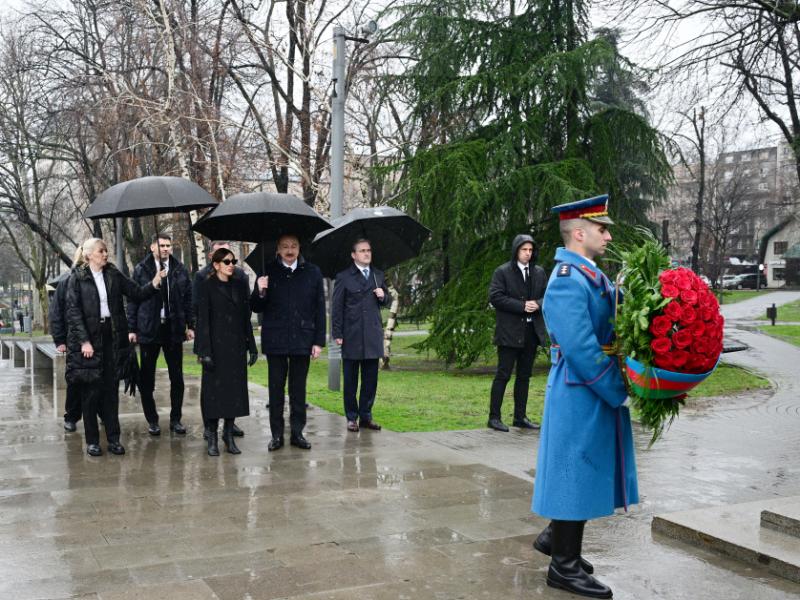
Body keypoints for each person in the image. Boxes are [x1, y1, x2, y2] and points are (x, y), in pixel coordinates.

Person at [531, 195, 637, 599]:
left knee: (583, 470)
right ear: (578, 233)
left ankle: (555, 539)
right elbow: (581, 348)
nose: (607, 236)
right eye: (601, 229)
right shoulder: (566, 279)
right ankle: (564, 567)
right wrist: (616, 389)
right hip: (580, 388)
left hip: (588, 389)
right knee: (573, 472)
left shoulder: (590, 275)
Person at [65, 238, 164, 456]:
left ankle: (114, 439)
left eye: (106, 251)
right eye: (101, 251)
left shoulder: (112, 274)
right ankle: (93, 441)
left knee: (111, 391)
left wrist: (155, 282)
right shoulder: (77, 278)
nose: (105, 254)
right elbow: (73, 312)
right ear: (89, 255)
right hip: (89, 339)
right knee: (91, 392)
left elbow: (137, 293)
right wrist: (84, 341)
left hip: (112, 336)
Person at [250, 233, 325, 451]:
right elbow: (255, 307)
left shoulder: (312, 272)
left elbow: (319, 308)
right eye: (285, 246)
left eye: (293, 246)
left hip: (303, 337)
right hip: (276, 339)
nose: (289, 250)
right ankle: (276, 435)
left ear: (299, 248)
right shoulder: (267, 271)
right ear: (278, 250)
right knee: (276, 390)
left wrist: (318, 341)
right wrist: (259, 290)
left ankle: (297, 433)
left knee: (298, 390)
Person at [127, 233, 194, 436]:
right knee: (147, 378)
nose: (165, 249)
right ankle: (152, 420)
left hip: (173, 328)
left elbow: (188, 299)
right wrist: (132, 329)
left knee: (177, 378)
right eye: (161, 245)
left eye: (168, 245)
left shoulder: (179, 268)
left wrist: (191, 325)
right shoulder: (141, 269)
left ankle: (176, 419)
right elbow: (133, 299)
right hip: (149, 328)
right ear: (152, 247)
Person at [195, 248, 258, 455]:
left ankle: (228, 435)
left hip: (236, 347)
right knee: (214, 394)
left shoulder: (239, 284)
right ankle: (212, 436)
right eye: (226, 262)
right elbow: (203, 320)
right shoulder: (206, 286)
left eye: (233, 261)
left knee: (234, 393)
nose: (231, 265)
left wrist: (252, 346)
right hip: (215, 347)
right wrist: (204, 351)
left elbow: (245, 317)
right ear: (216, 265)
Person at [487, 234, 547, 432]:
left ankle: (520, 417)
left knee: (524, 376)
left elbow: (548, 296)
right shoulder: (502, 272)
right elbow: (495, 297)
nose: (528, 253)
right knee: (503, 374)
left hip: (531, 332)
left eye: (530, 250)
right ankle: (494, 418)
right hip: (509, 332)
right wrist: (522, 306)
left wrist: (537, 304)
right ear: (516, 251)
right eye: (524, 250)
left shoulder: (539, 272)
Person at [331, 238, 392, 432]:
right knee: (350, 380)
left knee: (370, 380)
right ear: (353, 255)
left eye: (369, 250)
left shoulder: (377, 275)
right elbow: (337, 307)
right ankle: (351, 417)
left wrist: (383, 296)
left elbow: (387, 300)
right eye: (362, 250)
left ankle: (366, 416)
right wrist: (337, 333)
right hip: (352, 335)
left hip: (372, 335)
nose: (367, 253)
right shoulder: (344, 277)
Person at [50, 267, 82, 432]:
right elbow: (56, 313)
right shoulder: (66, 283)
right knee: (74, 379)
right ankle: (71, 416)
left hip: (96, 339)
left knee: (99, 380)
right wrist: (60, 340)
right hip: (73, 340)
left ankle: (102, 413)